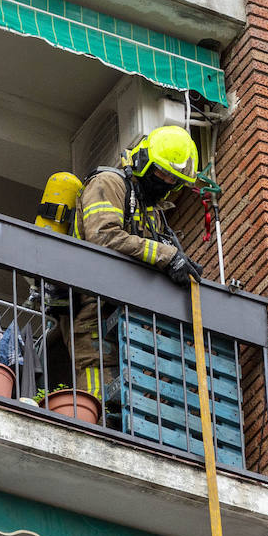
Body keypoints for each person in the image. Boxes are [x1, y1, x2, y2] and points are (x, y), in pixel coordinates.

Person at [62, 125, 204, 400]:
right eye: (162, 173)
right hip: (90, 306)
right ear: (143, 162)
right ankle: (98, 431)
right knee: (97, 381)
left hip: (127, 312)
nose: (166, 184)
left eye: (173, 180)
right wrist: (166, 256)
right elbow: (103, 237)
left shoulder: (150, 210)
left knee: (133, 388)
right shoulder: (109, 183)